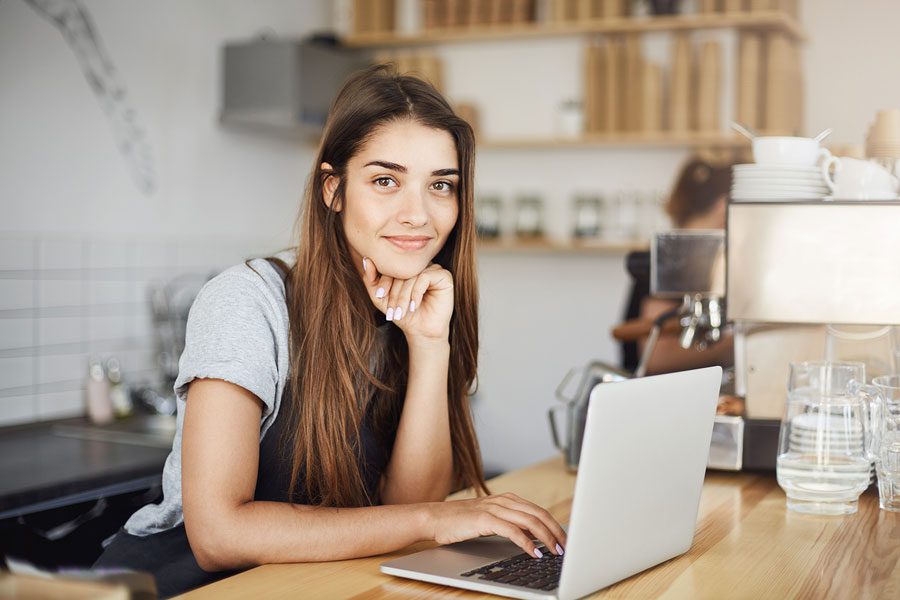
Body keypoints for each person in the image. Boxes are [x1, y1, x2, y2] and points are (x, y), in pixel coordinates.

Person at [94, 65, 566, 597]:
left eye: (441, 185)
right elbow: (218, 535)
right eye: (386, 181)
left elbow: (408, 505)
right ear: (334, 190)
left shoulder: (415, 305)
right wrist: (433, 521)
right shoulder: (248, 301)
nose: (419, 214)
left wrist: (430, 345)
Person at [621, 157, 735, 376]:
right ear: (724, 208)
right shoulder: (674, 258)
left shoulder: (710, 259)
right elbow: (658, 355)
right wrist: (736, 345)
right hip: (648, 397)